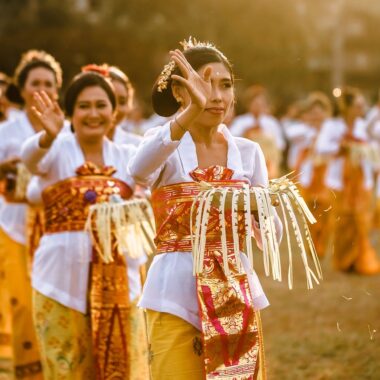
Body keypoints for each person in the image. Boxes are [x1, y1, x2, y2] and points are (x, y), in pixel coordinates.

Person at [129, 38, 282, 379]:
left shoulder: (248, 151)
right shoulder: (164, 141)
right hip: (173, 292)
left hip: (233, 291)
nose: (216, 95)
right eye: (203, 84)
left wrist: (263, 209)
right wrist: (187, 116)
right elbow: (137, 171)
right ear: (180, 92)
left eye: (225, 85)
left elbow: (271, 235)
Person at [21, 68, 149, 379]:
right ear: (70, 113)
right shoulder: (57, 149)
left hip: (120, 285)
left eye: (101, 105)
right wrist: (48, 136)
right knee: (65, 369)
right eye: (84, 106)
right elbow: (30, 161)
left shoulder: (129, 156)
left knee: (123, 368)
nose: (93, 114)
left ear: (114, 110)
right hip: (59, 285)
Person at [0, 49, 62, 380]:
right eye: (35, 82)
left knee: (54, 298)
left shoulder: (66, 130)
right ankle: (29, 373)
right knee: (23, 303)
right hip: (13, 224)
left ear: (57, 89)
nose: (42, 89)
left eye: (49, 83)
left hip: (55, 226)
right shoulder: (7, 131)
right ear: (21, 89)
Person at [316, 87, 380, 274]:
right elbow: (321, 147)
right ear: (348, 107)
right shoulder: (332, 126)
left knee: (361, 220)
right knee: (342, 220)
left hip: (362, 180)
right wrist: (342, 147)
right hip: (338, 180)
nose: (362, 108)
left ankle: (359, 260)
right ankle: (343, 260)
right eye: (359, 105)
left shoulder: (364, 126)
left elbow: (373, 145)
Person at [296, 92, 334, 258]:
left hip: (326, 175)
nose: (317, 114)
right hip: (309, 176)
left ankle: (321, 246)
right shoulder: (303, 131)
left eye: (320, 111)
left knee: (324, 212)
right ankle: (311, 245)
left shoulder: (332, 130)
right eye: (313, 111)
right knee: (309, 212)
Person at [229, 85, 285, 178]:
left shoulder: (272, 122)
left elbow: (280, 144)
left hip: (269, 165)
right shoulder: (240, 122)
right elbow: (231, 140)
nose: (258, 105)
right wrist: (246, 133)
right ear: (248, 104)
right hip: (246, 164)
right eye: (255, 103)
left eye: (261, 103)